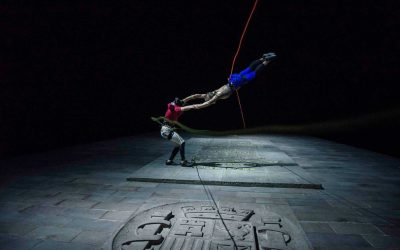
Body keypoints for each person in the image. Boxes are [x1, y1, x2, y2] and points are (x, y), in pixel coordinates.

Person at [181, 52, 276, 110]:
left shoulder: (213, 93)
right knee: (253, 72)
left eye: (207, 95)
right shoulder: (217, 96)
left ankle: (263, 58)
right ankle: (266, 60)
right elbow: (204, 104)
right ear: (211, 99)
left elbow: (196, 95)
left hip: (235, 81)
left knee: (250, 69)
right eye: (208, 96)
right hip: (236, 82)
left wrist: (184, 100)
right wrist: (188, 107)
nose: (207, 94)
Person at [160, 97, 190, 166]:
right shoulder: (175, 108)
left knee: (177, 145)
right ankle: (183, 161)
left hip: (166, 130)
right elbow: (172, 105)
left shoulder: (176, 111)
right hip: (166, 130)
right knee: (182, 142)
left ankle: (169, 161)